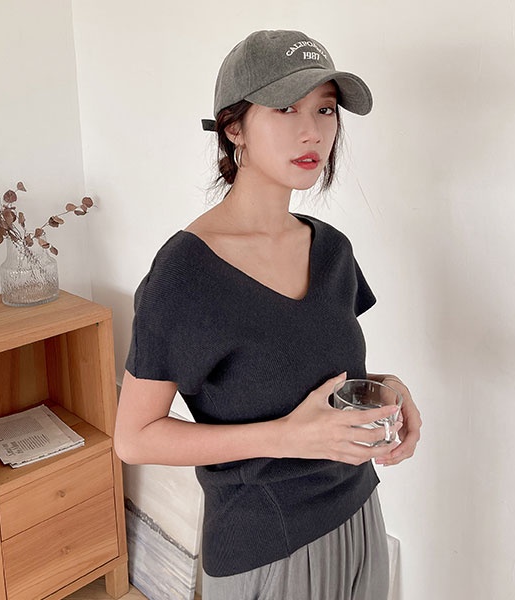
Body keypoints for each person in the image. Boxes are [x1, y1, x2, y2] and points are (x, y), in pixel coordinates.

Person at [114, 29, 422, 600]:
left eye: (325, 109)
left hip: (360, 513)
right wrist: (284, 437)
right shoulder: (186, 273)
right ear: (234, 128)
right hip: (266, 543)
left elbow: (304, 373)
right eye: (285, 108)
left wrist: (386, 386)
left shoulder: (331, 250)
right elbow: (134, 438)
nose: (313, 132)